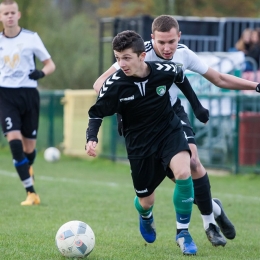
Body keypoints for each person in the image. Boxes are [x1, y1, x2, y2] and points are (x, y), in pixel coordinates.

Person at [93, 15, 260, 247]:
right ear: (152, 40)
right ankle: (214, 207)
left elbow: (219, 78)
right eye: (161, 42)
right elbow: (100, 83)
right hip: (141, 126)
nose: (167, 47)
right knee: (163, 189)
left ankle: (208, 224)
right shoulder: (138, 54)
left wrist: (255, 86)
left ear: (179, 36)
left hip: (171, 115)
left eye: (171, 41)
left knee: (191, 163)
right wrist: (122, 108)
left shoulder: (183, 53)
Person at [86, 30, 198, 255]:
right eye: (117, 58)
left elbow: (180, 77)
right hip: (139, 145)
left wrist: (197, 106)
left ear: (142, 56)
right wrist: (91, 137)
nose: (121, 63)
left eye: (126, 58)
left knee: (184, 172)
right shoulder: (114, 84)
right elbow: (96, 112)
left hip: (169, 131)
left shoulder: (164, 70)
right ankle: (146, 215)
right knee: (146, 200)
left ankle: (183, 233)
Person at [0, 0, 56, 205]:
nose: (9, 16)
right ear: (1, 17)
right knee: (14, 144)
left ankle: (27, 166)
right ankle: (31, 193)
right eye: (5, 13)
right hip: (5, 96)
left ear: (19, 14)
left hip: (29, 95)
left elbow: (50, 64)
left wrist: (41, 72)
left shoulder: (31, 38)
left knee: (28, 150)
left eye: (12, 12)